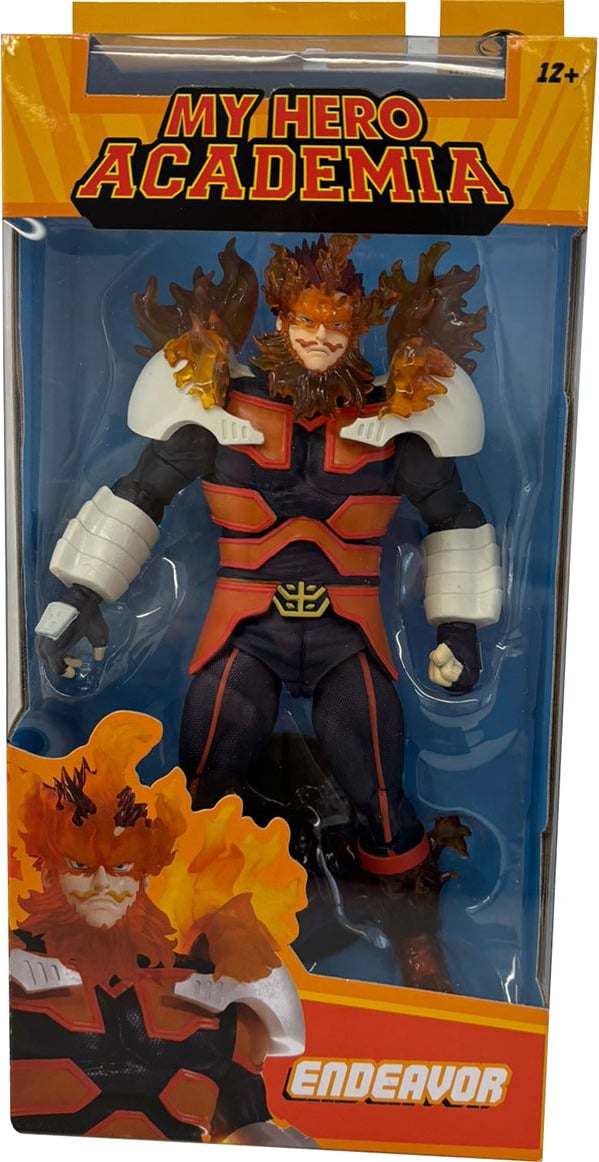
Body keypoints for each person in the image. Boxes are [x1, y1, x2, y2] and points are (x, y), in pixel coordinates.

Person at [35, 235, 502, 991]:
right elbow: (141, 495)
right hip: (245, 632)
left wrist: (458, 628)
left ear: (358, 328)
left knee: (380, 794)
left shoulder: (398, 420)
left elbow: (452, 517)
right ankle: (178, 930)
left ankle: (416, 943)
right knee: (203, 788)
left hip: (348, 637)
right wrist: (82, 596)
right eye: (306, 322)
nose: (321, 339)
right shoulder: (215, 403)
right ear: (280, 320)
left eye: (337, 326)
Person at [8, 712, 313, 1144]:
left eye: (121, 869)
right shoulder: (14, 972)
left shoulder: (209, 994)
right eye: (80, 866)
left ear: (144, 880)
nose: (102, 885)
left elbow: (252, 1128)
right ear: (49, 873)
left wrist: (235, 942)